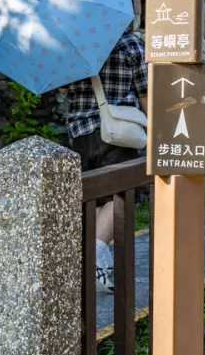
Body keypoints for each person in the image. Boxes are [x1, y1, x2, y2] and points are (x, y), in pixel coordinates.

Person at [63, 26, 147, 292]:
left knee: (96, 199)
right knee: (120, 194)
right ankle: (95, 253)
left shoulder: (75, 43)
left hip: (79, 134)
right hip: (117, 133)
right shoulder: (130, 43)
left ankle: (100, 271)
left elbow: (64, 89)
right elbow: (146, 93)